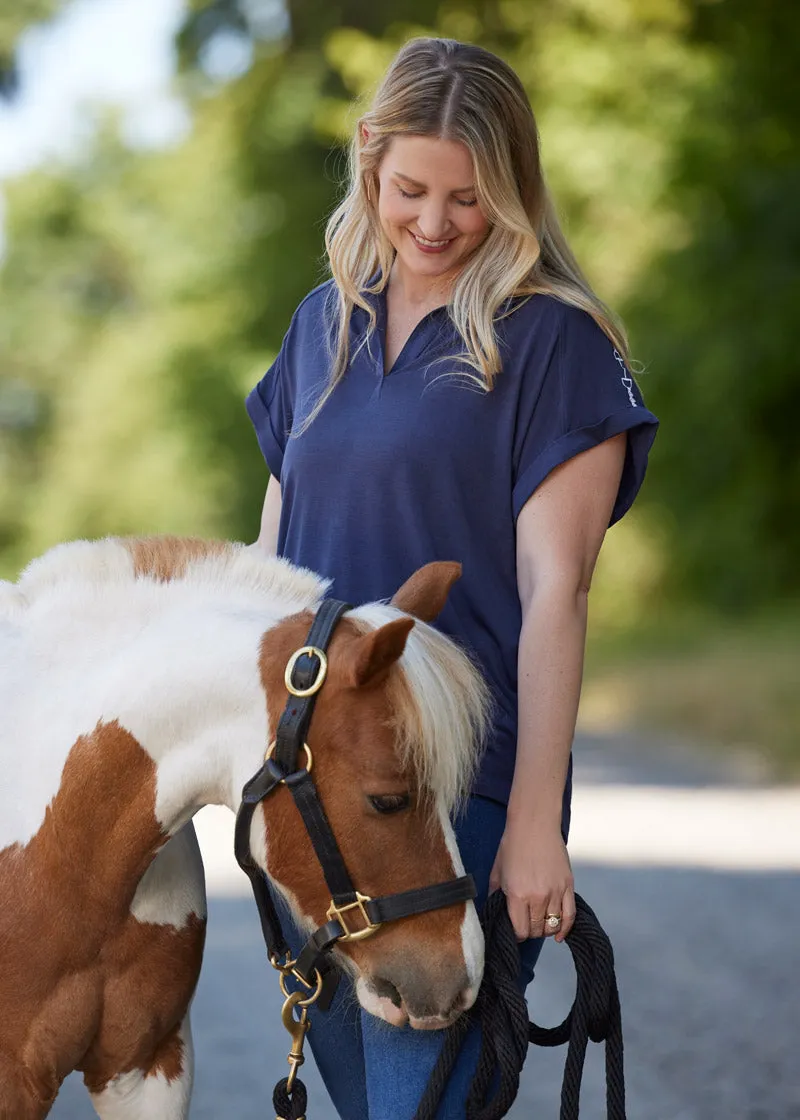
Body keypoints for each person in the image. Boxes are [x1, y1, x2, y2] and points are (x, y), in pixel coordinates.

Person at [247, 36, 658, 1119]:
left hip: (450, 790)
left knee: (416, 1105)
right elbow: (273, 565)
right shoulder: (317, 328)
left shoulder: (554, 345)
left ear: (514, 194)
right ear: (368, 161)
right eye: (409, 190)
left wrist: (533, 824)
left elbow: (556, 588)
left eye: (469, 198)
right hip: (320, 787)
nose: (433, 223)